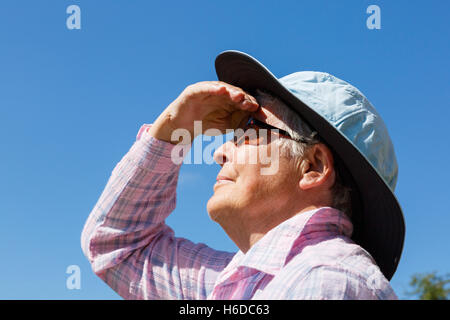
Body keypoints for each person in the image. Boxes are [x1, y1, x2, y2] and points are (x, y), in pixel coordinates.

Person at [81, 51, 405, 300]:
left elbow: (118, 247)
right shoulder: (235, 283)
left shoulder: (326, 282)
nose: (219, 152)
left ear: (313, 166)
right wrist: (176, 129)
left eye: (248, 134)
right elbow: (117, 246)